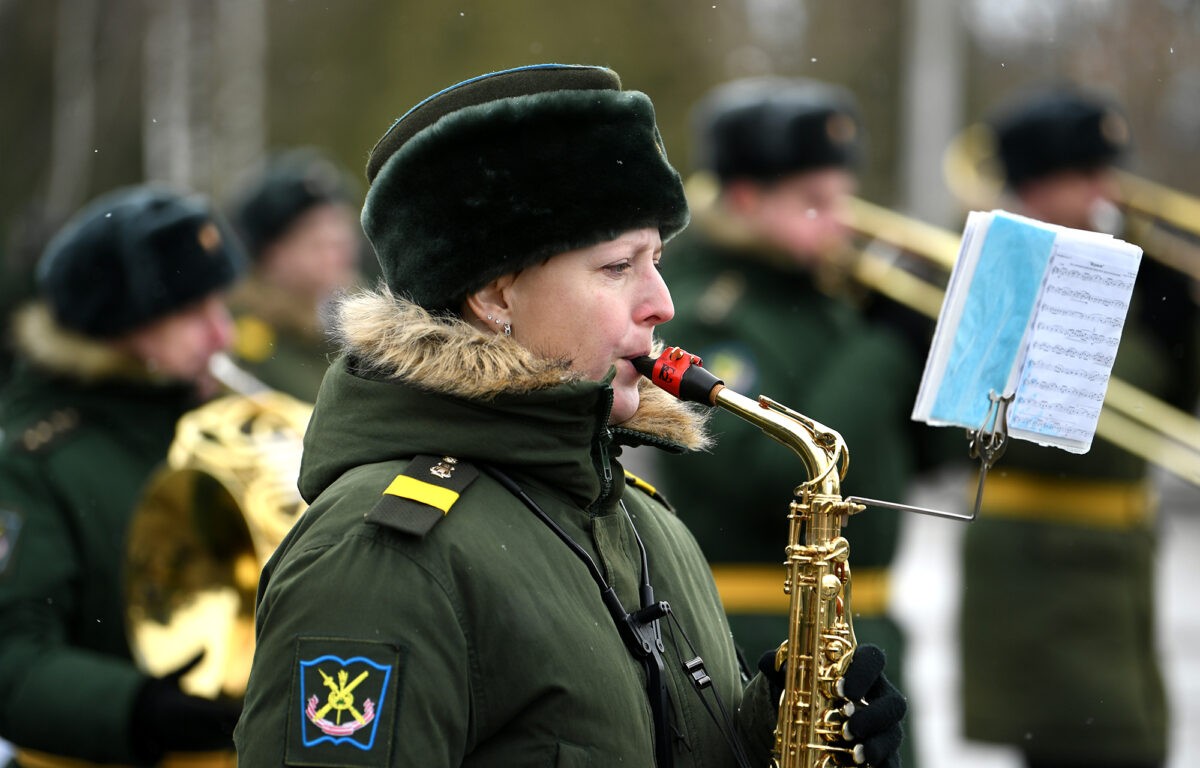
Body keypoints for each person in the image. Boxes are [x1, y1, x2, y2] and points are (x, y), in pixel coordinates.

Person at [233, 63, 907, 768]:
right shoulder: (381, 560)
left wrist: (778, 733)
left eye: (657, 259)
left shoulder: (642, 520)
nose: (662, 303)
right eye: (617, 267)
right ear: (495, 297)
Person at [653, 76, 951, 768]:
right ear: (745, 198)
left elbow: (931, 458)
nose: (841, 222)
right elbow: (768, 472)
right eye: (815, 202)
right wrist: (884, 351)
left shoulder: (839, 305)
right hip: (760, 641)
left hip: (869, 639)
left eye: (844, 198)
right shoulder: (704, 310)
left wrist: (941, 354)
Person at [958, 84, 1200, 768]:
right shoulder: (1002, 274)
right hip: (1043, 576)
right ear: (1037, 183)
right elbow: (1048, 429)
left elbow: (1170, 406)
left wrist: (1182, 319)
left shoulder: (1130, 273)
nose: (1109, 192)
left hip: (1120, 563)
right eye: (1087, 175)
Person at [0, 185, 247, 765]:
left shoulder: (218, 421)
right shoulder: (32, 462)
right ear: (113, 329)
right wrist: (137, 709)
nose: (224, 336)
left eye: (220, 305)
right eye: (191, 313)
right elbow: (9, 657)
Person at [224, 148, 363, 401]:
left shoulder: (365, 324)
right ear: (273, 253)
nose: (337, 240)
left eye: (339, 222)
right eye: (314, 232)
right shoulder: (236, 339)